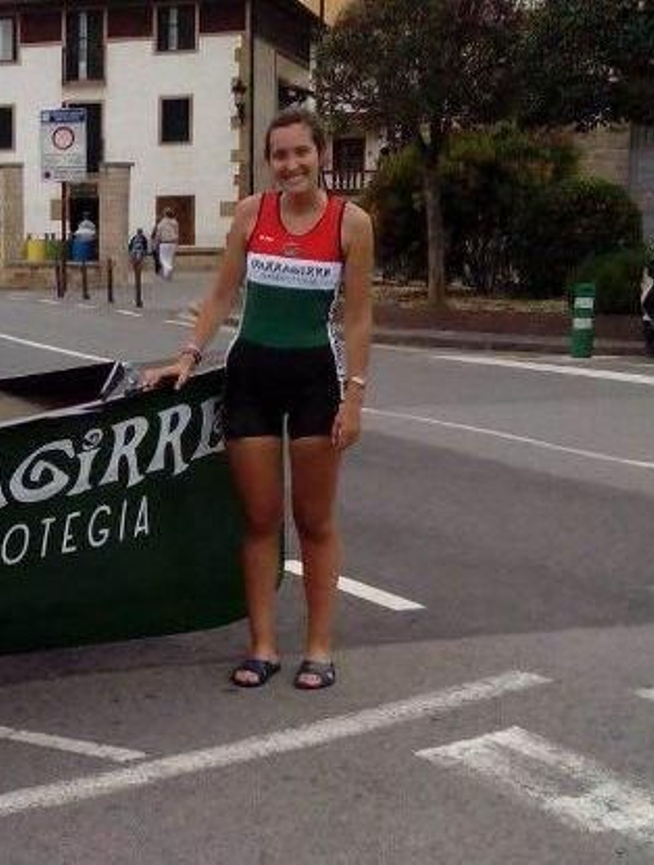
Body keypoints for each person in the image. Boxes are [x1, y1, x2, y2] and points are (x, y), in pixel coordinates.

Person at [142, 107, 373, 692]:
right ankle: (263, 645)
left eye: (301, 152)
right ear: (269, 161)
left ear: (320, 153)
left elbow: (360, 317)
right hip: (251, 379)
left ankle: (319, 647)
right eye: (280, 155)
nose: (291, 165)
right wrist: (188, 356)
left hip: (317, 380)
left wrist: (355, 398)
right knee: (260, 519)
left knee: (314, 520)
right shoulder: (251, 214)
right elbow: (220, 296)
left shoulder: (352, 223)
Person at [154, 208, 180, 279]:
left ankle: (168, 269)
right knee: (169, 259)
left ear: (164, 214)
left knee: (162, 258)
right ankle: (167, 275)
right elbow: (177, 233)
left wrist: (156, 243)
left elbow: (158, 234)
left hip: (164, 243)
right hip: (173, 243)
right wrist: (177, 243)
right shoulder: (175, 222)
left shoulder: (161, 223)